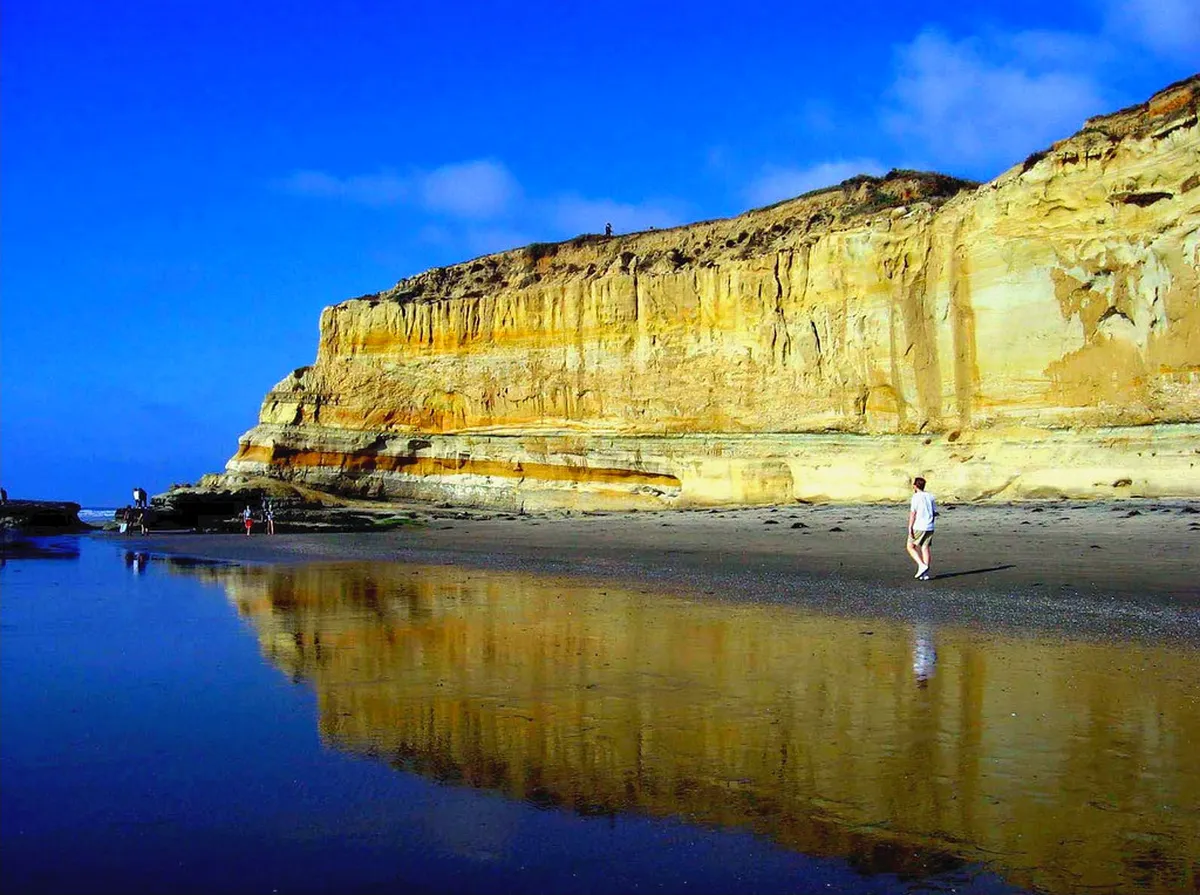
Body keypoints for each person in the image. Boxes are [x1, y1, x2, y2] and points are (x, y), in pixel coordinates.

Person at [906, 476, 937, 580]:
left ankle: (921, 565)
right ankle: (925, 574)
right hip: (929, 526)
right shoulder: (930, 496)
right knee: (925, 547)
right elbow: (934, 512)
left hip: (919, 526)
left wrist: (910, 527)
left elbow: (913, 513)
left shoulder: (916, 497)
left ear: (915, 486)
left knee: (910, 546)